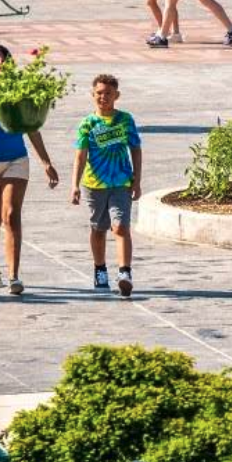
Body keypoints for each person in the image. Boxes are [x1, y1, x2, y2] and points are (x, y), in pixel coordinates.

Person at [0, 43, 60, 297]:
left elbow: (31, 126)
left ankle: (14, 275)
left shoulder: (16, 90)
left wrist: (45, 161)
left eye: (1, 62)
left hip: (16, 158)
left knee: (11, 214)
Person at [71, 73, 142, 298]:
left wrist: (137, 180)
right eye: (99, 93)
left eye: (108, 93)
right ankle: (100, 269)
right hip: (95, 185)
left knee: (121, 227)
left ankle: (124, 273)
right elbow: (80, 156)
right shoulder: (87, 124)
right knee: (98, 229)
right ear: (93, 95)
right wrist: (74, 185)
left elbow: (136, 150)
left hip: (121, 182)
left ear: (116, 96)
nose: (104, 97)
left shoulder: (126, 120)